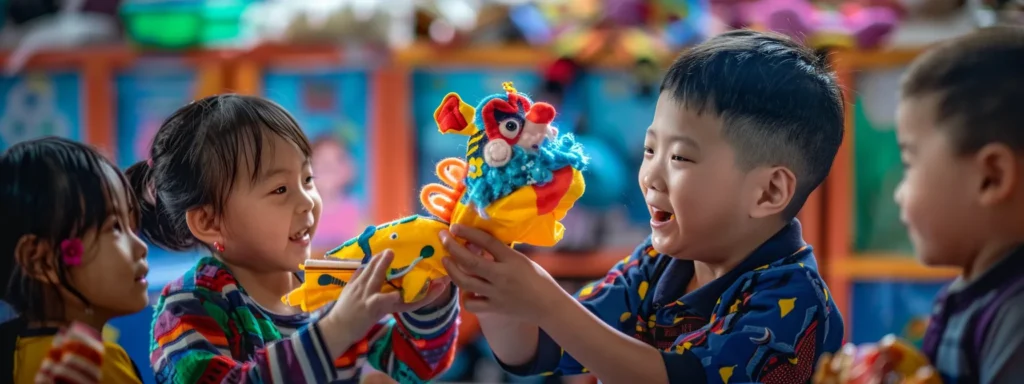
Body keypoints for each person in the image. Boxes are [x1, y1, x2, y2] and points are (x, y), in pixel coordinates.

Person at [439, 29, 846, 384]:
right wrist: (491, 289)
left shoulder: (795, 301)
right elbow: (542, 345)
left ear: (768, 192)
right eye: (651, 149)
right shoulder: (656, 265)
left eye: (681, 158)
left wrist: (547, 301)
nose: (650, 175)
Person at [129, 94, 459, 384]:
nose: (308, 201)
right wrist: (336, 331)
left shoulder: (330, 286)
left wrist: (431, 301)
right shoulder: (190, 306)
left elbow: (416, 365)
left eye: (307, 178)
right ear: (210, 221)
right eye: (280, 189)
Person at [894, 26, 1024, 384]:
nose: (898, 194)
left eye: (909, 163)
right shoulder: (973, 295)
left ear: (992, 177)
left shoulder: (1016, 319)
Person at [0, 137, 149, 383]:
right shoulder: (88, 363)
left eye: (132, 227)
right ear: (41, 261)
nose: (140, 247)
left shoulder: (19, 354)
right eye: (115, 227)